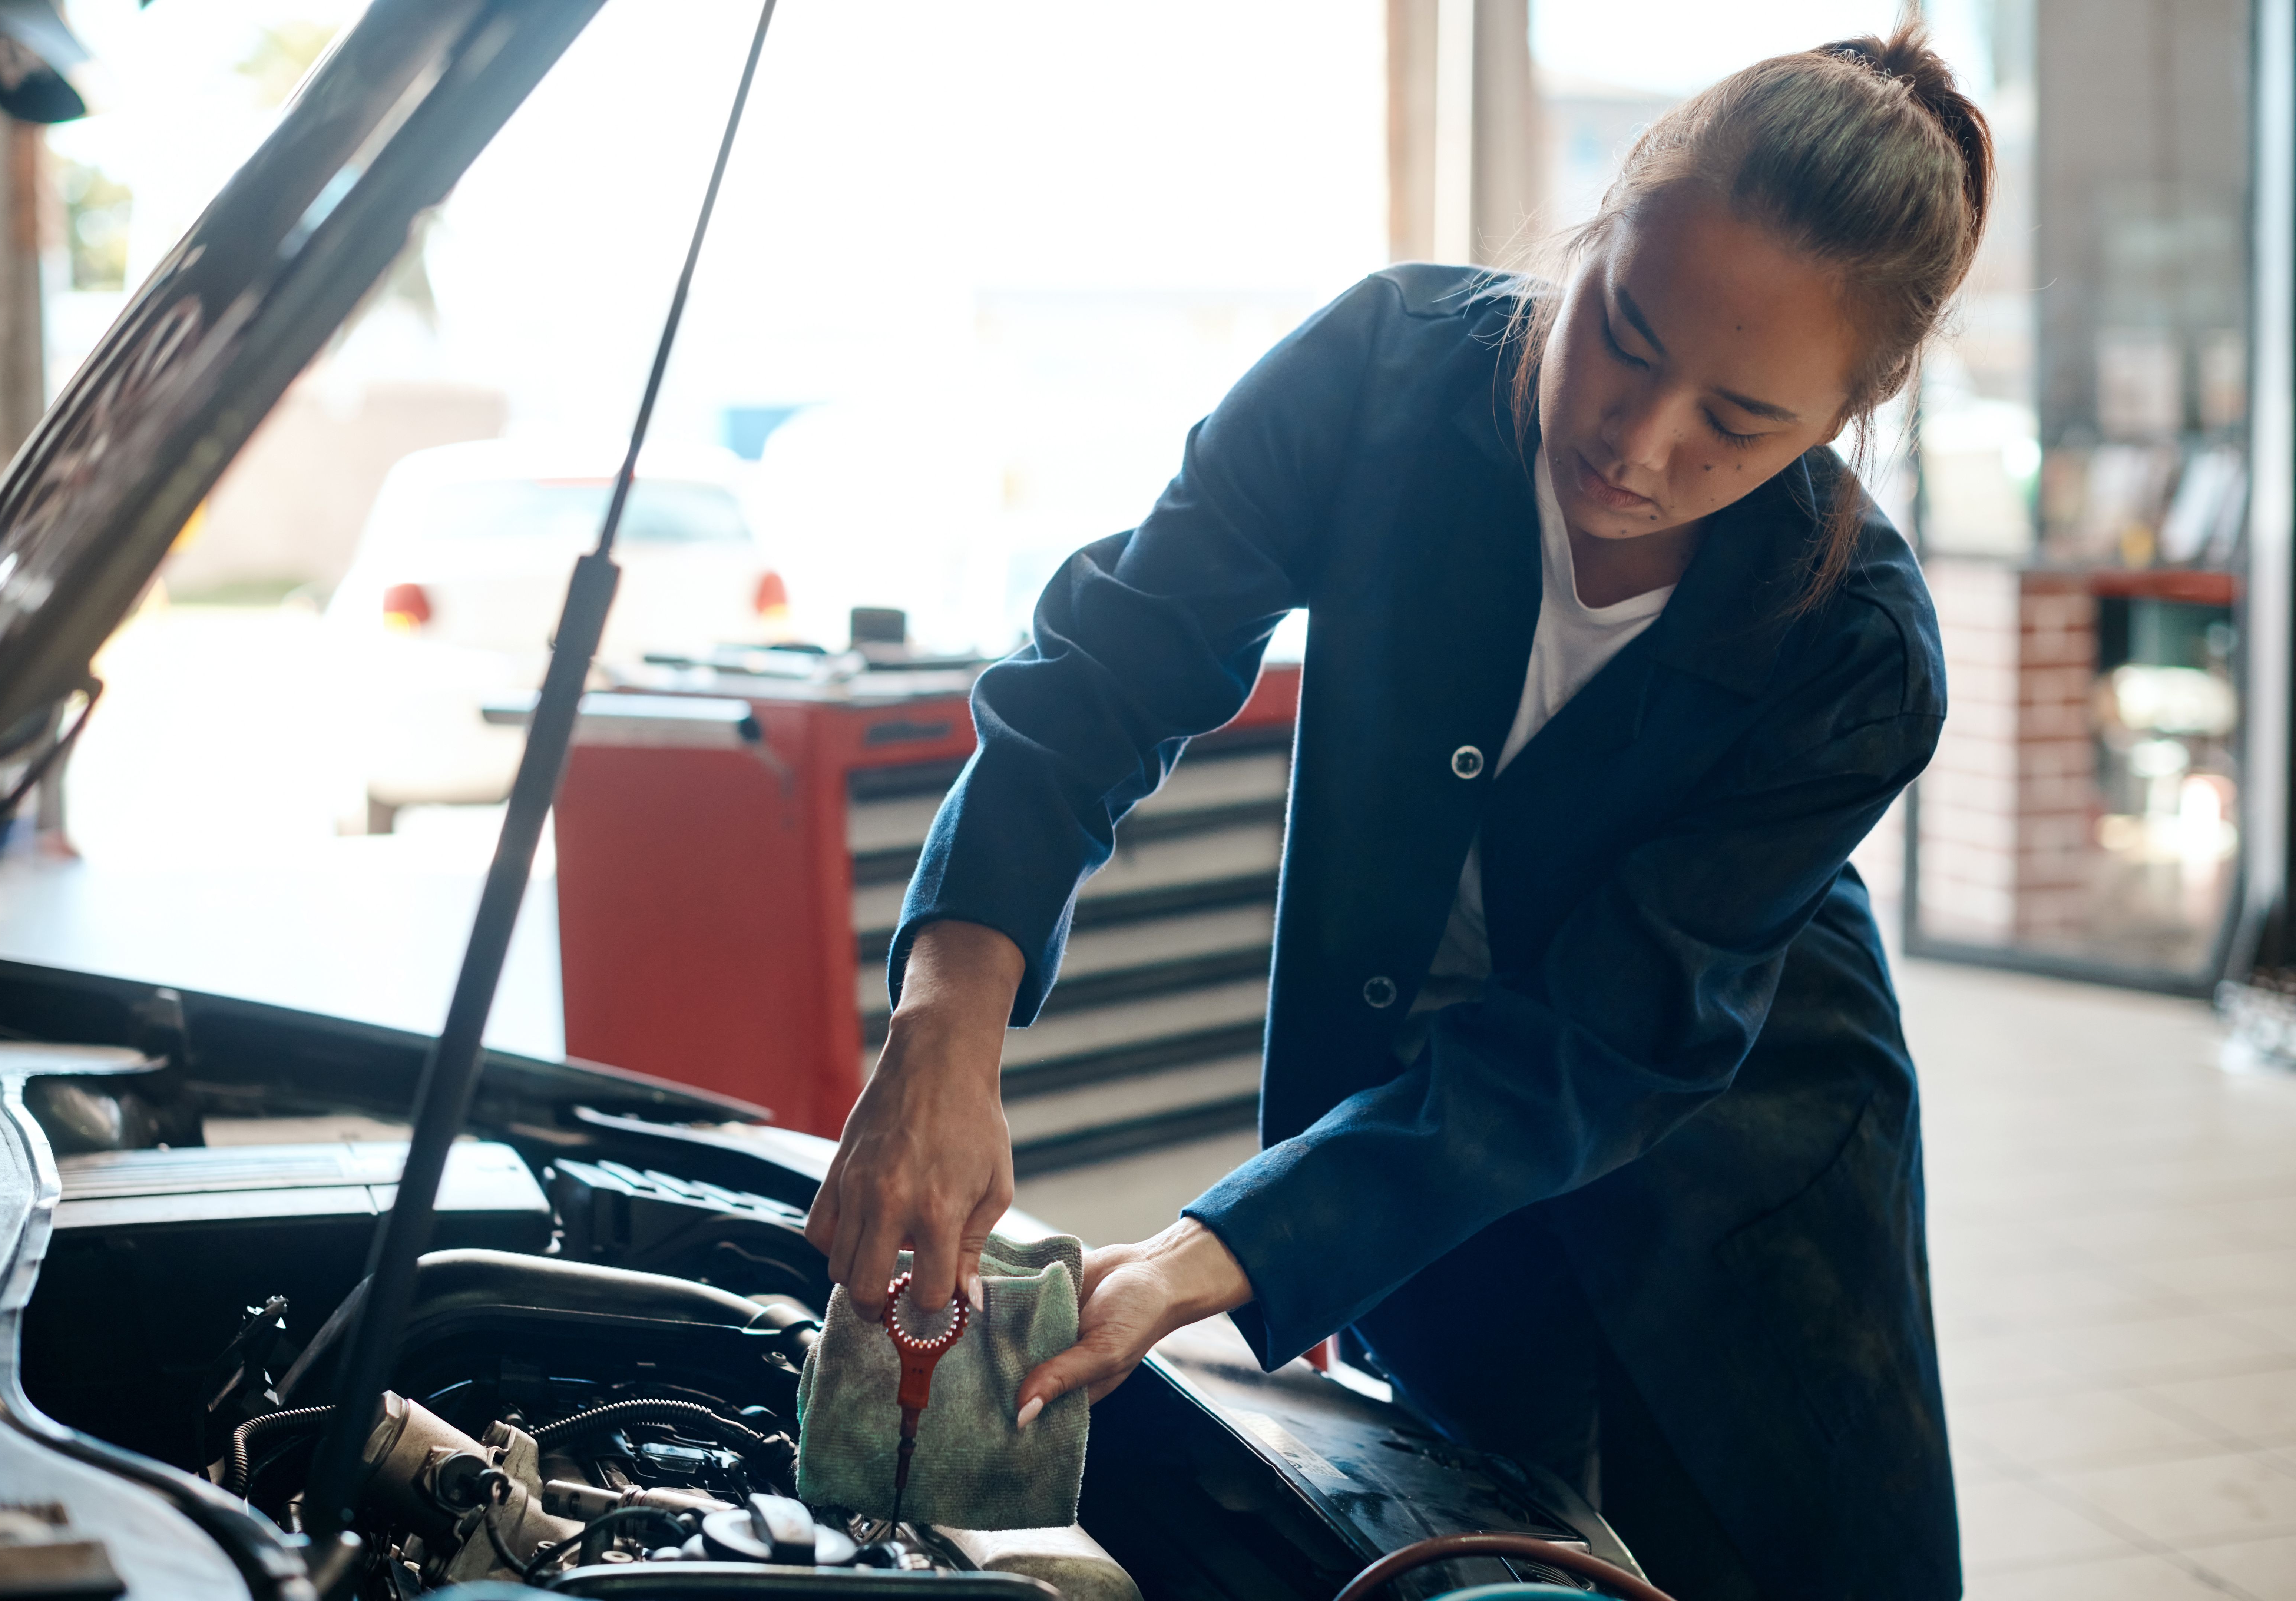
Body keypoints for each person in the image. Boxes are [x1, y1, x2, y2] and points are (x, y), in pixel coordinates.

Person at [805, 24, 1989, 1601]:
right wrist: (941, 1036)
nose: (1638, 444)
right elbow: (1107, 670)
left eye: (1740, 421)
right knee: (1474, 1566)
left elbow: (1607, 1037)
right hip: (1417, 1145)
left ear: (1852, 411)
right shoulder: (1382, 373)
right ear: (1600, 223)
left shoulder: (1856, 658)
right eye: (1623, 332)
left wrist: (1204, 1258)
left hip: (1738, 1163)